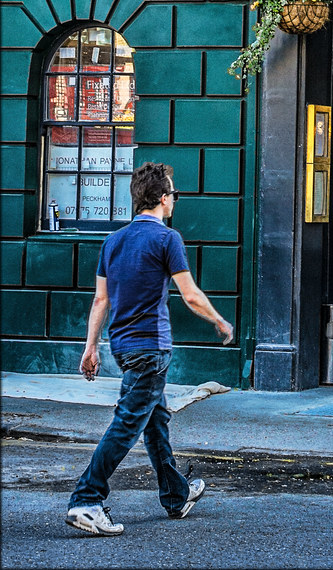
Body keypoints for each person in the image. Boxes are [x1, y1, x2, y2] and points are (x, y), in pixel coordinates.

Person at [66, 162, 234, 536]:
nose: (175, 200)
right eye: (173, 194)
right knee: (127, 424)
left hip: (122, 346)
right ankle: (86, 499)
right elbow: (189, 295)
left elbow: (99, 301)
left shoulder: (114, 240)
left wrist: (91, 348)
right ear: (162, 198)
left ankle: (176, 494)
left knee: (154, 419)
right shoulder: (166, 239)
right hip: (151, 347)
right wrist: (220, 321)